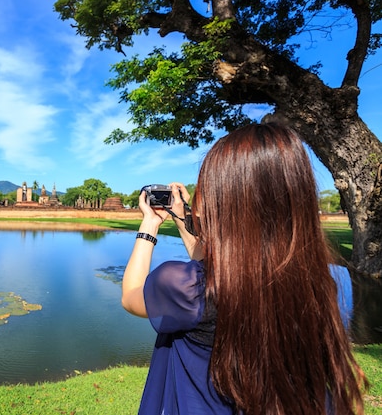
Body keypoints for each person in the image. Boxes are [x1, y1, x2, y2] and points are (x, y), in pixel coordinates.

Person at [121, 123, 367, 415]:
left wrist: (149, 224)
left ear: (221, 202)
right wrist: (181, 218)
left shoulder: (184, 287)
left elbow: (132, 295)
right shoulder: (333, 281)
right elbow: (223, 265)